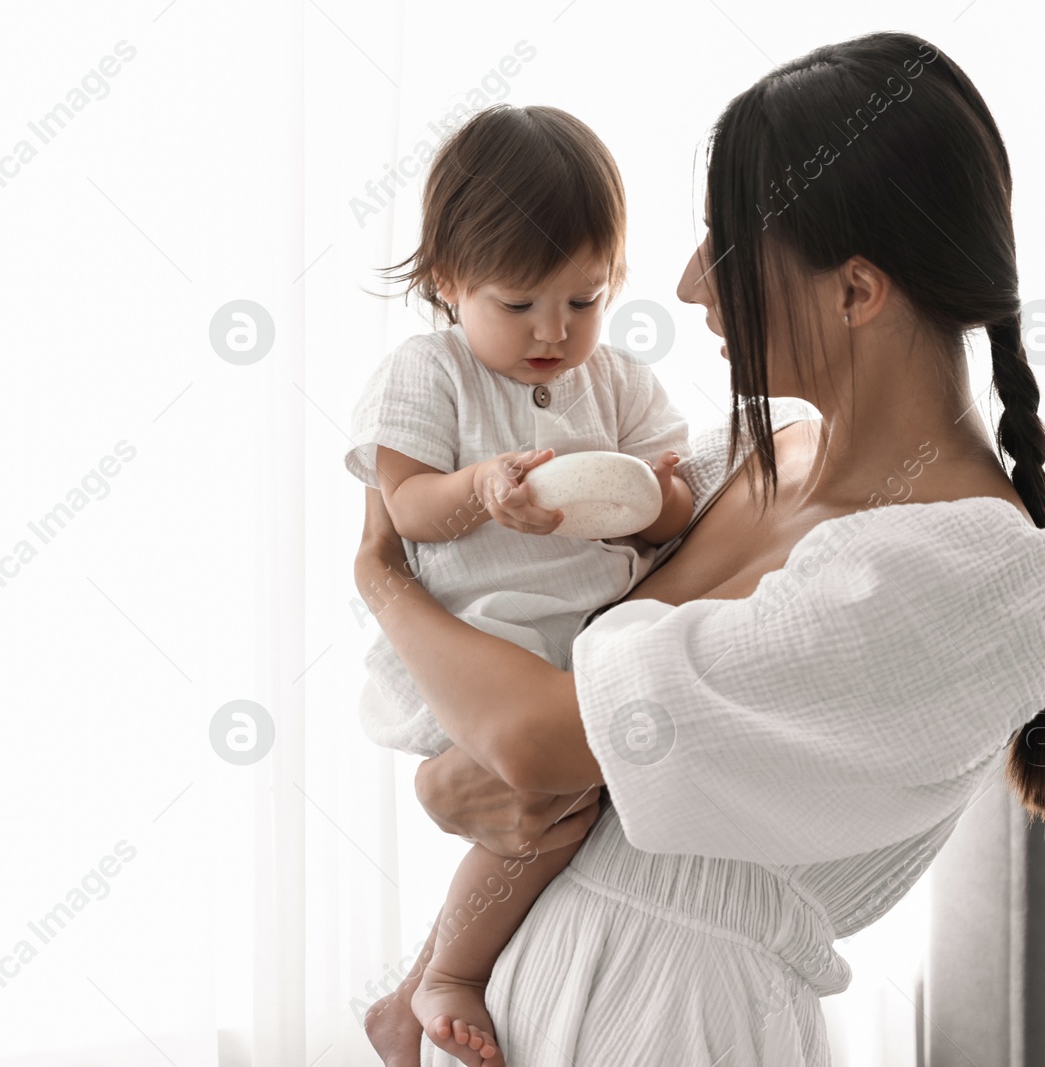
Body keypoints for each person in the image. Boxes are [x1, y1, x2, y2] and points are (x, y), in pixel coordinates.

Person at [354, 31, 1045, 1066]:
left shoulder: (963, 574)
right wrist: (452, 771)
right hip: (527, 1001)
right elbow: (514, 739)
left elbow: (533, 742)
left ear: (855, 290)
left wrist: (382, 578)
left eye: (725, 244)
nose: (691, 282)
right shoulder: (739, 459)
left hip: (675, 1026)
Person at [347, 103, 694, 1064]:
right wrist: (483, 490)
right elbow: (406, 507)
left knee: (577, 809)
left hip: (581, 647)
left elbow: (676, 500)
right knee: (554, 812)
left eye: (585, 302)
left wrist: (652, 499)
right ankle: (444, 977)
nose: (554, 331)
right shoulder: (430, 372)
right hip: (480, 643)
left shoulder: (616, 383)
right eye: (519, 304)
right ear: (451, 282)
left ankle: (409, 993)